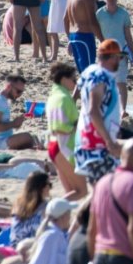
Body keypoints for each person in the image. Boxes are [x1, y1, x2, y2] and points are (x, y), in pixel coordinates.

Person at [73, 40, 123, 183]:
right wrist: (109, 141)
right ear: (113, 57)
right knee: (104, 191)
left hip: (92, 140)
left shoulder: (90, 71)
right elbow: (93, 111)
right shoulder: (100, 77)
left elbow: (78, 89)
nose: (119, 61)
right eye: (119, 57)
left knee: (102, 192)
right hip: (96, 145)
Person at [44, 62, 86, 199]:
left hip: (56, 146)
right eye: (74, 80)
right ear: (64, 79)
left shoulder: (55, 96)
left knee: (70, 192)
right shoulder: (62, 98)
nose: (76, 83)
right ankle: (49, 210)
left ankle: (55, 214)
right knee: (81, 191)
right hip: (63, 148)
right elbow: (58, 128)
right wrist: (78, 125)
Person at [96, 0, 133, 115]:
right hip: (104, 53)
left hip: (120, 53)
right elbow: (95, 32)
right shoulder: (100, 13)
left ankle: (123, 109)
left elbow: (128, 36)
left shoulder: (123, 14)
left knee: (121, 82)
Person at [20, 198, 74, 264]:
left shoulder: (59, 234)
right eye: (69, 214)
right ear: (63, 216)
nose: (70, 218)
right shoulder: (51, 236)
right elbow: (38, 260)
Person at [0, 73, 40, 152]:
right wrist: (13, 123)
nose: (19, 95)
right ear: (9, 87)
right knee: (27, 137)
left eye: (22, 92)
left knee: (33, 138)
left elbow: (1, 124)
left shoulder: (3, 100)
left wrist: (15, 124)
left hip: (2, 140)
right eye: (18, 91)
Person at [64, 0, 106, 74]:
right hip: (85, 37)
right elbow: (92, 22)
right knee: (88, 72)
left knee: (83, 74)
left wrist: (69, 38)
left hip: (74, 37)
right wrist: (103, 41)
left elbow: (65, 19)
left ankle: (80, 91)